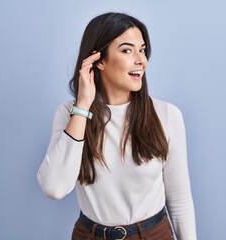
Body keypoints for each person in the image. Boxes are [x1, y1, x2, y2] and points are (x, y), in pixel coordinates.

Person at [37, 12, 196, 240]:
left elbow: (180, 200)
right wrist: (83, 106)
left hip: (153, 234)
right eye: (127, 50)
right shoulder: (69, 114)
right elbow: (54, 188)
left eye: (142, 50)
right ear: (99, 60)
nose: (141, 60)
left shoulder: (167, 115)